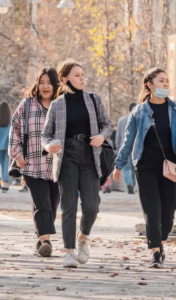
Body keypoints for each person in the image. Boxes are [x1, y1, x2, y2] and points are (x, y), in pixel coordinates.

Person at [113, 67, 176, 268]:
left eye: (167, 81)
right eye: (161, 81)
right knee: (152, 209)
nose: (166, 84)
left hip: (170, 165)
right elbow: (128, 140)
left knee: (169, 211)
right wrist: (119, 165)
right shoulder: (139, 111)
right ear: (150, 84)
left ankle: (160, 240)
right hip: (145, 163)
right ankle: (156, 251)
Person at [41, 61, 113, 268]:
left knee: (91, 206)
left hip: (90, 155)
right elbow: (46, 135)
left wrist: (101, 136)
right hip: (66, 156)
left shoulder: (93, 99)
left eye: (82, 74)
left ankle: (83, 237)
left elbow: (108, 124)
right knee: (69, 206)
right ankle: (69, 252)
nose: (82, 78)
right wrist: (49, 146)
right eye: (77, 75)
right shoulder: (57, 105)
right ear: (65, 80)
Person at [10, 67, 60, 257]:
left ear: (56, 85)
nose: (45, 86)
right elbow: (14, 129)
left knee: (52, 204)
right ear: (37, 84)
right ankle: (46, 241)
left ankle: (40, 241)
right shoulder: (28, 104)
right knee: (42, 204)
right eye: (42, 82)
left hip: (56, 166)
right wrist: (17, 154)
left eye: (49, 82)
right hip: (31, 164)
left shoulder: (61, 106)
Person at [115, 103, 137, 194]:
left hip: (123, 147)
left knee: (125, 168)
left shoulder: (121, 120)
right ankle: (133, 184)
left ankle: (129, 184)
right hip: (135, 147)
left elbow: (118, 135)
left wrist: (117, 147)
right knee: (133, 169)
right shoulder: (137, 119)